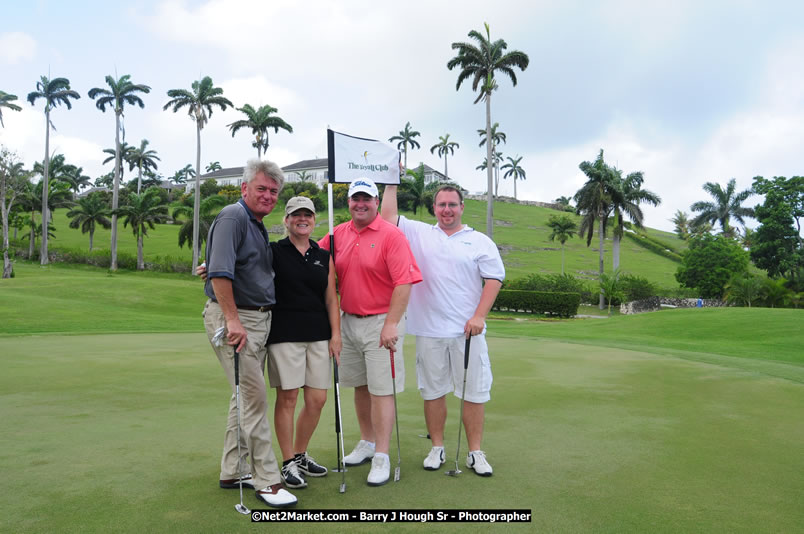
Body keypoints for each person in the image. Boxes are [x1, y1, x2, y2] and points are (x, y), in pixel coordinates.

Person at [381, 183, 504, 476]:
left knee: (473, 393)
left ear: (462, 207)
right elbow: (387, 218)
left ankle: (475, 452)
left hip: (468, 332)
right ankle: (437, 448)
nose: (446, 210)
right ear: (434, 208)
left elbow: (494, 279)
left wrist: (479, 316)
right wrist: (390, 182)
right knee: (433, 392)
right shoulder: (420, 233)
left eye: (452, 204)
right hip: (429, 330)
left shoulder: (480, 241)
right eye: (441, 205)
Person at [202, 159, 296, 508]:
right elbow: (220, 275)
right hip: (236, 320)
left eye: (274, 191)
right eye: (262, 188)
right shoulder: (234, 216)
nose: (268, 196)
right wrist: (232, 321)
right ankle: (268, 481)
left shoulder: (254, 225)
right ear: (245, 188)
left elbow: (227, 266)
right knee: (255, 398)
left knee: (242, 396)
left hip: (256, 321)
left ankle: (233, 469)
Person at [319, 177, 422, 486]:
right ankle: (366, 441)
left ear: (376, 202)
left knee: (381, 390)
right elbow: (306, 256)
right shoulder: (337, 235)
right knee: (360, 386)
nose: (360, 204)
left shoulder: (391, 236)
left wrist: (392, 323)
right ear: (348, 202)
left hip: (382, 322)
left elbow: (404, 282)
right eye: (355, 199)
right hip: (348, 320)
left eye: (366, 198)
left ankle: (382, 454)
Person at [266, 196, 341, 490]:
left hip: (319, 335)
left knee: (317, 400)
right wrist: (213, 266)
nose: (302, 219)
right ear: (286, 220)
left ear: (314, 220)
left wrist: (336, 335)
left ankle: (300, 453)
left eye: (307, 215)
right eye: (296, 215)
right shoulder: (274, 251)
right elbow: (244, 265)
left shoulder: (323, 255)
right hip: (285, 334)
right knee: (288, 398)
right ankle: (287, 461)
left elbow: (331, 298)